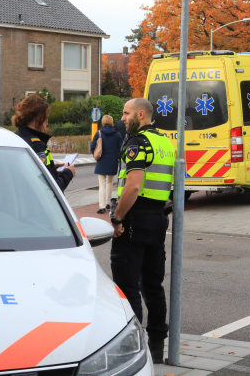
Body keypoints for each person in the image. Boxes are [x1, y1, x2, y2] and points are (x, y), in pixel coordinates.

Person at [110, 98, 175, 364]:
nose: (122, 118)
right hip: (157, 219)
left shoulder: (138, 142)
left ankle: (133, 349)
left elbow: (133, 186)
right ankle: (157, 347)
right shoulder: (165, 141)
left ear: (140, 114)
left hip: (134, 220)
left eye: (125, 113)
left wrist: (117, 217)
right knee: (153, 285)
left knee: (127, 287)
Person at [14, 94, 75, 191]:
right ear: (39, 117)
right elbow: (49, 189)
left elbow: (30, 172)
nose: (47, 122)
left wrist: (51, 168)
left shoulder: (16, 138)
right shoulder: (36, 145)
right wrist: (68, 173)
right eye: (46, 118)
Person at [91, 114, 123, 214]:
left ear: (103, 122)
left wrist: (96, 154)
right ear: (111, 122)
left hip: (102, 160)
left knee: (102, 184)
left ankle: (102, 207)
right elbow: (121, 148)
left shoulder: (99, 133)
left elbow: (92, 146)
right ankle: (107, 202)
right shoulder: (117, 134)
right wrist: (116, 156)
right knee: (109, 182)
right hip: (112, 161)